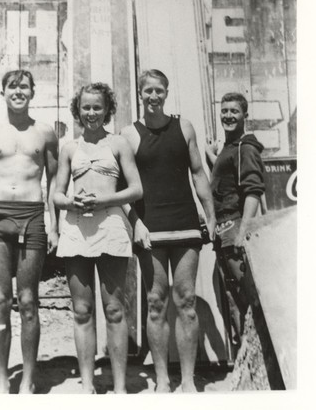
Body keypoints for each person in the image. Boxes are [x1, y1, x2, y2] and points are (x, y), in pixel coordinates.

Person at [121, 69, 216, 393]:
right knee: (156, 301)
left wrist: (211, 217)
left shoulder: (184, 127)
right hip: (151, 228)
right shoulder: (129, 134)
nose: (153, 96)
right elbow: (122, 187)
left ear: (166, 92)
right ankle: (162, 379)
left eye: (159, 90)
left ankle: (188, 380)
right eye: (147, 91)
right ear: (140, 93)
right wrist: (136, 223)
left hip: (186, 223)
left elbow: (199, 174)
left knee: (186, 299)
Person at [54, 82, 142, 394]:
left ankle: (119, 389)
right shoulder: (69, 149)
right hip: (78, 228)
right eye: (86, 107)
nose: (91, 113)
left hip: (111, 227)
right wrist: (70, 202)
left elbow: (136, 189)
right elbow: (56, 193)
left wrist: (105, 201)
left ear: (107, 110)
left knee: (115, 309)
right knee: (81, 310)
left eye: (97, 107)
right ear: (77, 110)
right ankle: (88, 386)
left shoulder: (118, 144)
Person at [0, 69, 59, 393]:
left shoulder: (44, 133)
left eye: (24, 87)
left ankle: (28, 380)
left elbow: (55, 181)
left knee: (30, 300)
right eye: (12, 86)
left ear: (33, 92)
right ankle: (3, 379)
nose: (18, 91)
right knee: (0, 299)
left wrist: (53, 224)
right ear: (3, 91)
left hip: (32, 218)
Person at [205, 92, 265, 341]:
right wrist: (212, 157)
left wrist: (243, 233)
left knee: (248, 299)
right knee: (235, 300)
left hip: (235, 229)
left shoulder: (245, 148)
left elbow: (253, 191)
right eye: (224, 110)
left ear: (245, 116)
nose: (228, 115)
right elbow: (227, 181)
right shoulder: (230, 149)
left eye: (234, 111)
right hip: (223, 231)